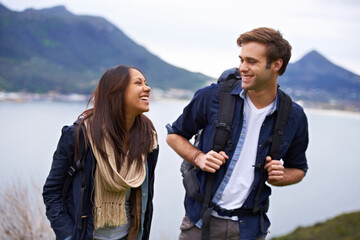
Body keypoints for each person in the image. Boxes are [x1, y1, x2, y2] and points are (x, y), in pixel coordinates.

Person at [166, 27, 309, 240]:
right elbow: (174, 135)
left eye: (251, 61)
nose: (242, 67)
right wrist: (199, 157)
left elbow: (298, 169)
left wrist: (281, 176)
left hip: (250, 230)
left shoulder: (294, 116)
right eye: (241, 60)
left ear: (276, 65)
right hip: (199, 222)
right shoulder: (211, 96)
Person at [43, 65, 159, 240]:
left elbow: (145, 197)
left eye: (146, 82)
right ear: (116, 92)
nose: (147, 88)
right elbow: (53, 191)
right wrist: (68, 235)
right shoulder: (80, 135)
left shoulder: (148, 138)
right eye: (138, 83)